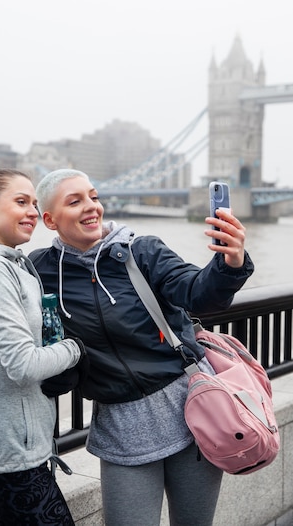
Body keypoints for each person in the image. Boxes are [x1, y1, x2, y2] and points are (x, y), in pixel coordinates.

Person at [29, 168, 255, 526]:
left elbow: (197, 293)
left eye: (93, 196)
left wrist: (230, 261)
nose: (91, 207)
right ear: (49, 219)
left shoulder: (141, 251)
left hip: (192, 412)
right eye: (75, 201)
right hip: (121, 427)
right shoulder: (39, 271)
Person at [0, 168, 88, 526]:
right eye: (21, 202)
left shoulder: (10, 265)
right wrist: (76, 350)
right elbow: (21, 364)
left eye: (35, 204)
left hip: (17, 447)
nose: (33, 212)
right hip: (10, 453)